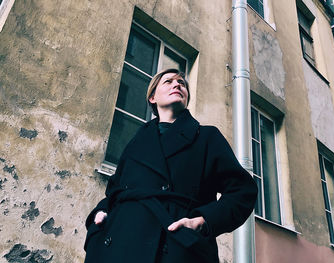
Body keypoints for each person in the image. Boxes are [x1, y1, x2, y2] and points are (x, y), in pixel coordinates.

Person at [84, 68, 258, 263]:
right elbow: (115, 189)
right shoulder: (137, 141)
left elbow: (242, 191)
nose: (177, 84)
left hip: (174, 245)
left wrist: (203, 221)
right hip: (117, 241)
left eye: (181, 83)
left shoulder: (207, 137)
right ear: (152, 97)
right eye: (168, 81)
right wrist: (100, 213)